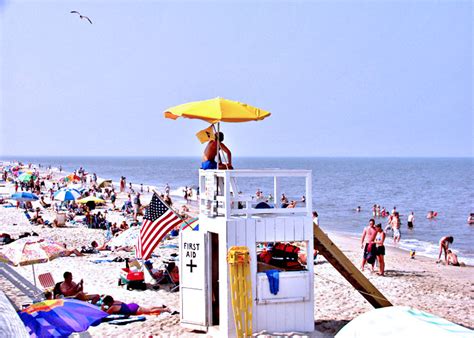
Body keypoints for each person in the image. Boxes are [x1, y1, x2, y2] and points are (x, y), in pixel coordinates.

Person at [101, 295, 172, 316]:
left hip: (134, 310)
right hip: (131, 305)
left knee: (149, 311)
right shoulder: (116, 301)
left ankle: (165, 309)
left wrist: (103, 307)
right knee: (147, 309)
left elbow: (104, 314)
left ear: (109, 302)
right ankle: (161, 307)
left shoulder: (113, 307)